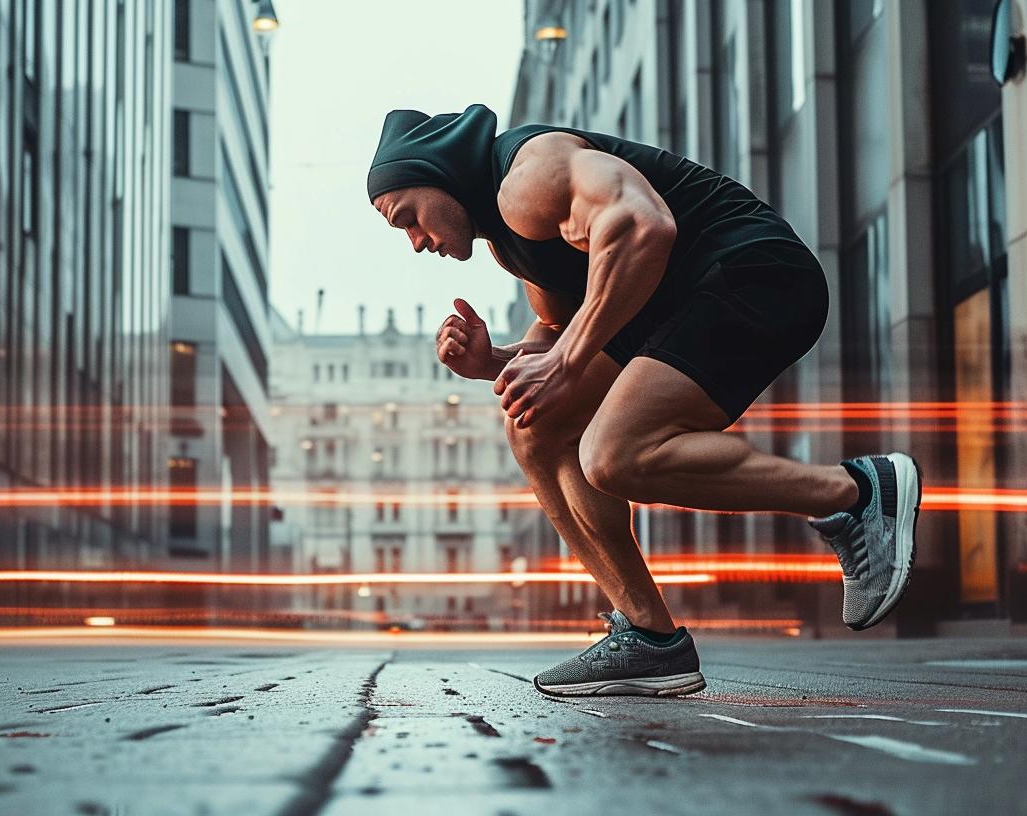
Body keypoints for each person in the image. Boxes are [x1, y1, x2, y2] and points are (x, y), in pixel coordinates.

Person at [366, 104, 922, 698]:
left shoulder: (530, 175)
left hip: (753, 272)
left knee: (614, 452)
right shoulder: (509, 240)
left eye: (409, 219)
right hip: (676, 304)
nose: (417, 242)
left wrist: (565, 360)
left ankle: (856, 494)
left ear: (439, 174)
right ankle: (649, 639)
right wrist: (493, 362)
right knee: (537, 427)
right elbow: (561, 332)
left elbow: (641, 223)